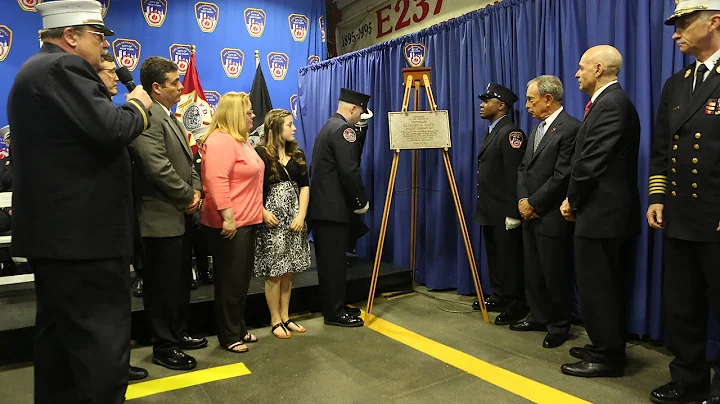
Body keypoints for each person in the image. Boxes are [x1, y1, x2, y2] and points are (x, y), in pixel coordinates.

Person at [6, 1, 152, 402]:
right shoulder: (63, 68)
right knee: (99, 350)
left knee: (60, 350)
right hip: (83, 241)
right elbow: (112, 127)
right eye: (98, 35)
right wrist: (140, 103)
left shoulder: (36, 69)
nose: (104, 45)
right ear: (71, 36)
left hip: (61, 239)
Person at [648, 3, 720, 404]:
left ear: (715, 22)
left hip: (716, 214)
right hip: (679, 214)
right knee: (682, 306)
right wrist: (657, 196)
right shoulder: (677, 84)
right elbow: (662, 148)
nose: (675, 33)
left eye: (683, 23)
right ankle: (688, 377)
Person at [559, 45, 640, 378]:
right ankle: (602, 344)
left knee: (600, 288)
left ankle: (606, 356)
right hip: (605, 215)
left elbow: (590, 163)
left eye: (581, 68)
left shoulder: (611, 105)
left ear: (598, 69)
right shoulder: (606, 104)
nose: (576, 74)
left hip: (603, 215)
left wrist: (571, 200)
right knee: (602, 286)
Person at [131, 56, 207, 371]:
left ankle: (178, 334)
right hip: (159, 220)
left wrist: (197, 189)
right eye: (175, 83)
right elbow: (156, 166)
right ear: (156, 87)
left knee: (177, 284)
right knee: (161, 289)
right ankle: (164, 346)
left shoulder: (171, 117)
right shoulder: (147, 117)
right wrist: (187, 194)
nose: (180, 87)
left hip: (178, 217)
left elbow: (189, 164)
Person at [515, 75, 580, 348]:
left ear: (548, 99)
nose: (527, 105)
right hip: (530, 211)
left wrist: (534, 203)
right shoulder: (537, 129)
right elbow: (524, 168)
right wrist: (522, 200)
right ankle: (538, 315)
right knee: (534, 271)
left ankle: (559, 324)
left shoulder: (570, 128)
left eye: (531, 99)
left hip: (551, 214)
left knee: (555, 273)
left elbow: (562, 175)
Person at [96, 51, 149, 382]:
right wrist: (137, 105)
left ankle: (117, 361)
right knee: (102, 308)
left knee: (116, 306)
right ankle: (109, 367)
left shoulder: (110, 112)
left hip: (121, 220)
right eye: (108, 70)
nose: (116, 75)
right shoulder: (109, 115)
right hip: (99, 227)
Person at [200, 91, 263, 353]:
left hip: (246, 223)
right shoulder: (220, 142)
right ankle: (228, 335)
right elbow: (217, 181)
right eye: (248, 112)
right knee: (230, 282)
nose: (253, 115)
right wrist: (227, 217)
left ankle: (238, 327)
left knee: (239, 281)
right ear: (236, 114)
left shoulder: (240, 141)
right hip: (230, 225)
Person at [310, 88, 370, 327]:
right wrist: (360, 200)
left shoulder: (329, 126)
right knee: (333, 265)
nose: (360, 117)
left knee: (330, 263)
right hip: (334, 209)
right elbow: (349, 170)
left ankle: (335, 305)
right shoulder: (344, 130)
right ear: (353, 108)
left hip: (324, 208)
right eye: (360, 112)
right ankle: (334, 312)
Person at [473, 83, 527, 326]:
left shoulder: (511, 134)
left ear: (501, 106)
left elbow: (515, 176)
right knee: (495, 257)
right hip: (489, 208)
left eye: (487, 101)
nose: (483, 105)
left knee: (509, 261)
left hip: (504, 211)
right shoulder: (493, 131)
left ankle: (515, 305)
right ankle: (499, 295)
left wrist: (514, 212)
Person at [254, 109, 311, 338]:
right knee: (275, 272)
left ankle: (286, 316)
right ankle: (275, 320)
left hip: (294, 221)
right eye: (289, 124)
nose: (293, 128)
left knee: (289, 271)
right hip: (272, 222)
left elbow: (305, 186)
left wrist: (301, 215)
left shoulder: (297, 154)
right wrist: (262, 212)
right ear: (275, 128)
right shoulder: (259, 154)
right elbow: (250, 189)